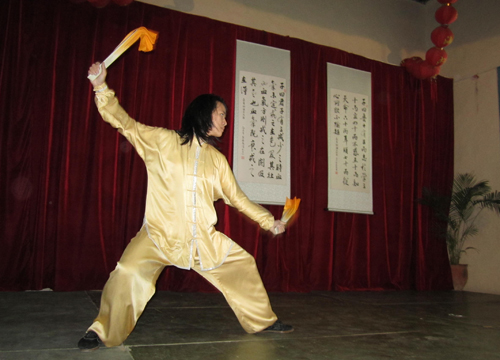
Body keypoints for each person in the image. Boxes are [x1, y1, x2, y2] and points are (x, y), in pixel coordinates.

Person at [78, 62, 293, 352]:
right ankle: (102, 331)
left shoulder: (217, 161)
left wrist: (270, 222)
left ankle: (263, 321)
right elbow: (125, 123)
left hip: (202, 239)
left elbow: (237, 198)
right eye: (222, 115)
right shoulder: (163, 141)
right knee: (127, 272)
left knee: (243, 265)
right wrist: (101, 87)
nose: (226, 122)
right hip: (157, 236)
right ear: (205, 113)